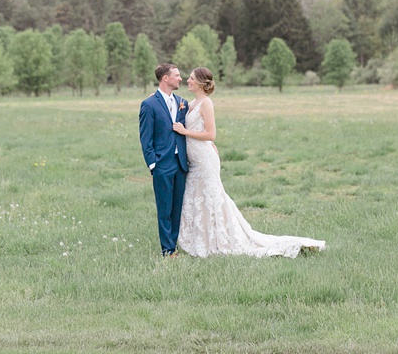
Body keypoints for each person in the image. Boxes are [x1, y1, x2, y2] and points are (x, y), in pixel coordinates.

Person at [174, 67, 325, 258]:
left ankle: (219, 239)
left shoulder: (206, 103)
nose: (188, 80)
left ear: (201, 83)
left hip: (205, 161)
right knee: (198, 198)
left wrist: (185, 132)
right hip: (195, 160)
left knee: (211, 197)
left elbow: (211, 133)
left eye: (191, 78)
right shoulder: (191, 103)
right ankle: (201, 239)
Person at [138, 62, 189, 257]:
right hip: (162, 164)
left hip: (181, 164)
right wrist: (153, 163)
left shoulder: (182, 102)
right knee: (164, 209)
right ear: (165, 78)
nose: (180, 78)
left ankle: (174, 244)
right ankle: (167, 250)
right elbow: (145, 137)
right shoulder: (149, 104)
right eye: (176, 75)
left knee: (177, 208)